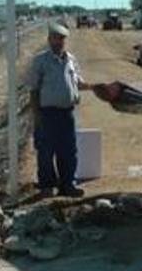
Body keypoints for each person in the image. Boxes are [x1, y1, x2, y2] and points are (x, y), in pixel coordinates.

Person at [29, 22, 96, 197]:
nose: (59, 42)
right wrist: (36, 116)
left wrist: (97, 87)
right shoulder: (40, 61)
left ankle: (68, 185)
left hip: (67, 114)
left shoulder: (71, 60)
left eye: (62, 39)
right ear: (49, 39)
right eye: (56, 38)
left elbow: (78, 83)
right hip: (47, 114)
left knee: (68, 150)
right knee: (46, 151)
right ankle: (47, 186)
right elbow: (34, 90)